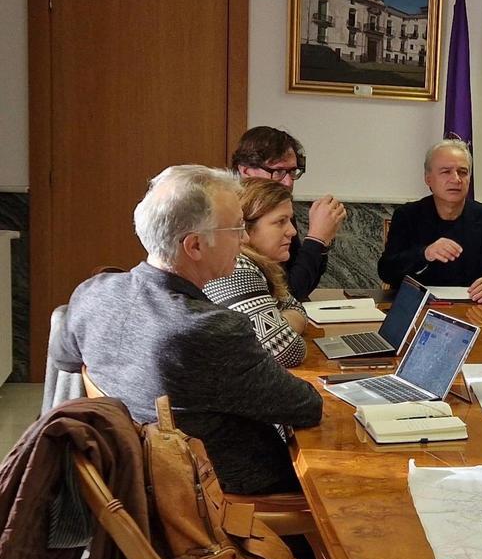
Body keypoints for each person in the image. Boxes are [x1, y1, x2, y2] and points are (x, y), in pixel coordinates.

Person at [51, 165, 323, 497]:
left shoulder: (94, 292)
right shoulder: (210, 330)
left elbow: (65, 362)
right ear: (194, 246)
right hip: (224, 493)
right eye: (236, 228)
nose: (244, 239)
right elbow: (305, 406)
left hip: (136, 480)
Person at [378, 139, 482, 302]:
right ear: (428, 178)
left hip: (476, 310)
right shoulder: (407, 215)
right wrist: (425, 254)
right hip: (420, 307)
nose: (456, 179)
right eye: (446, 172)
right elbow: (386, 271)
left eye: (463, 172)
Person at [231, 126, 347, 300]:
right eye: (278, 171)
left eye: (292, 171)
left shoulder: (281, 206)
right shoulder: (230, 214)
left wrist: (322, 241)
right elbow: (289, 293)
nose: (288, 182)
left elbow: (300, 283)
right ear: (245, 170)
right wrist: (316, 239)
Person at [203, 178, 308, 367]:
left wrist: (279, 323)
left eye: (290, 220)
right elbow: (288, 352)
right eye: (280, 222)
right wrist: (280, 323)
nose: (292, 231)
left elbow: (298, 308)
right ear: (245, 227)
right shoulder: (237, 268)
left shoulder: (256, 264)